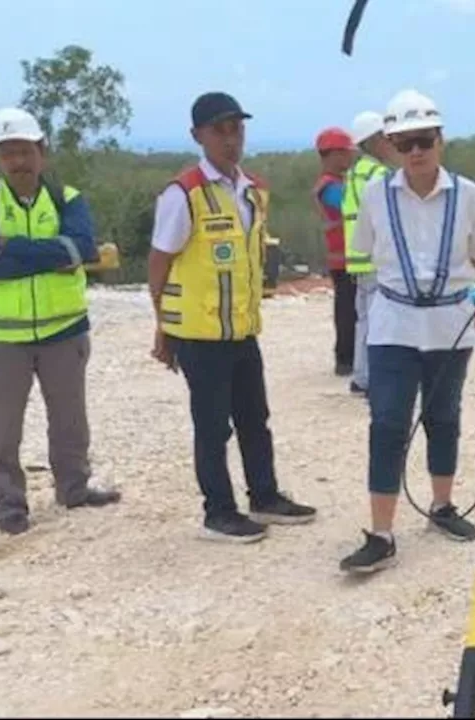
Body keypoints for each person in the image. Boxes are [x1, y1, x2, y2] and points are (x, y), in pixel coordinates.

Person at [339, 89, 475, 573]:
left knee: (444, 416)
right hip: (393, 322)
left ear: (440, 140)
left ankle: (442, 506)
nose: (415, 152)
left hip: (449, 323)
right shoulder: (374, 195)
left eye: (423, 140)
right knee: (387, 422)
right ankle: (381, 532)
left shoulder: (469, 196)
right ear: (390, 145)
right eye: (404, 143)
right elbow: (366, 247)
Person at [147, 91, 317, 543]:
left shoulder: (253, 191)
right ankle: (218, 512)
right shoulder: (183, 194)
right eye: (219, 130)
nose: (230, 139)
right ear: (197, 135)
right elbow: (159, 262)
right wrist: (163, 327)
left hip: (241, 328)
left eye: (236, 128)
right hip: (199, 334)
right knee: (212, 425)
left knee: (254, 417)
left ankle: (265, 496)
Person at [0, 107, 121, 535]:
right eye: (7, 153)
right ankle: (10, 505)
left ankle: (74, 488)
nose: (18, 161)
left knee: (70, 421)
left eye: (24, 151)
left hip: (64, 332)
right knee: (0, 431)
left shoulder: (68, 199)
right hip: (3, 338)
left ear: (41, 152)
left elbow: (81, 248)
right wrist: (51, 254)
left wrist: (11, 245)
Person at [342, 110, 403, 397]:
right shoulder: (378, 174)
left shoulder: (355, 173)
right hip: (378, 259)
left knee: (364, 319)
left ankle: (361, 376)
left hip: (359, 261)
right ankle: (373, 380)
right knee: (380, 321)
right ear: (377, 139)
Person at [313, 127, 358, 376]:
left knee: (350, 310)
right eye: (346, 153)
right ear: (333, 154)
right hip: (344, 261)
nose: (350, 158)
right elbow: (350, 206)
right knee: (347, 312)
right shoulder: (329, 187)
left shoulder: (338, 183)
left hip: (349, 259)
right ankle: (345, 358)